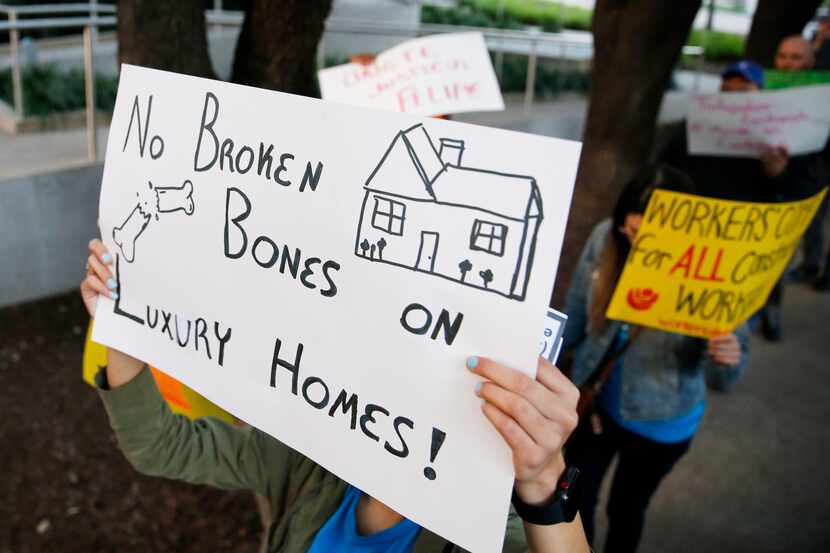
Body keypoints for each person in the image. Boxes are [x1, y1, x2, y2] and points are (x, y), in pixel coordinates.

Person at [80, 239, 590, 553]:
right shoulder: (311, 456)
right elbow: (160, 446)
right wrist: (123, 325)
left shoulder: (479, 525)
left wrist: (545, 480)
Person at [562, 165, 750, 553]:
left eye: (653, 240)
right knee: (575, 504)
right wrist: (551, 359)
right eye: (631, 234)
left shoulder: (714, 265)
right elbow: (576, 313)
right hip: (594, 406)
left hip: (663, 421)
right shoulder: (605, 238)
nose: (639, 249)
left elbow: (725, 379)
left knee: (627, 510)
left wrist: (728, 355)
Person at [772, 36, 828, 287]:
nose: (787, 64)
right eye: (783, 57)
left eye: (796, 58)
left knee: (813, 221)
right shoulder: (767, 86)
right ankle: (808, 266)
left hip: (818, 168)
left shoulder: (822, 90)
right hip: (784, 171)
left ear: (811, 61)